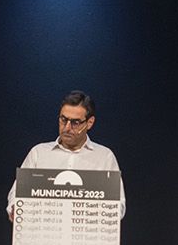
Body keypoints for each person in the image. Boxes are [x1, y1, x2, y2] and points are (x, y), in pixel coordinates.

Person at [6, 91, 124, 219]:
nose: (67, 127)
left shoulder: (104, 157)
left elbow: (118, 206)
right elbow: (16, 195)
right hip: (43, 234)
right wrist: (15, 209)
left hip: (87, 235)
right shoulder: (38, 153)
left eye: (75, 122)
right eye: (63, 119)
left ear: (89, 123)